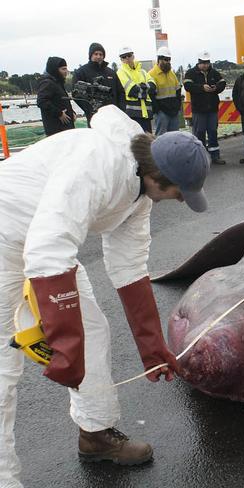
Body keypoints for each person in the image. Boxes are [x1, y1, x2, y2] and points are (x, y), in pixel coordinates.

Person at [0, 105, 211, 488]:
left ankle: (95, 434)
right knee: (3, 368)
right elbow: (49, 249)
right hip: (6, 237)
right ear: (159, 176)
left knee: (93, 332)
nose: (182, 200)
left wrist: (152, 347)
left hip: (43, 242)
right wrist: (64, 344)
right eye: (181, 192)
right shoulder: (97, 164)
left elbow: (129, 267)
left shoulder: (142, 191)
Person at [183, 51, 226, 164]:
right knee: (199, 133)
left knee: (213, 132)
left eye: (207, 62)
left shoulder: (214, 72)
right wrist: (202, 88)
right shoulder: (191, 73)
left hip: (212, 109)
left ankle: (215, 156)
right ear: (198, 62)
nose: (206, 65)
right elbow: (188, 86)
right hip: (199, 110)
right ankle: (200, 158)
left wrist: (215, 88)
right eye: (203, 63)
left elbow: (222, 83)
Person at [73, 42, 126, 124]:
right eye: (95, 54)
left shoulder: (111, 72)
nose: (98, 56)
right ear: (91, 55)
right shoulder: (81, 72)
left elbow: (121, 92)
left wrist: (121, 110)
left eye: (101, 54)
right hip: (94, 117)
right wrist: (89, 109)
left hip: (113, 115)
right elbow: (76, 94)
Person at [117, 46, 157, 133]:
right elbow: (132, 90)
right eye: (124, 56)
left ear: (133, 56)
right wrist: (145, 88)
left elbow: (153, 86)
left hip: (146, 113)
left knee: (148, 141)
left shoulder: (142, 71)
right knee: (137, 142)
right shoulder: (120, 72)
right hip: (132, 115)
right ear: (121, 59)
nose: (127, 58)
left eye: (128, 55)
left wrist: (141, 88)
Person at [36, 57, 75, 136]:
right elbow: (41, 101)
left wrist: (72, 112)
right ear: (55, 70)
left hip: (65, 128)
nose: (66, 72)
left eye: (66, 69)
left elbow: (61, 101)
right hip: (56, 130)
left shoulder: (58, 82)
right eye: (63, 69)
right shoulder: (47, 83)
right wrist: (59, 113)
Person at [148, 46, 182, 136]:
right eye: (165, 59)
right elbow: (150, 95)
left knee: (175, 136)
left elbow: (178, 91)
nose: (168, 62)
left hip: (173, 111)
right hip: (161, 112)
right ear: (159, 59)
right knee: (161, 137)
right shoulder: (151, 74)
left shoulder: (172, 74)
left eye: (169, 59)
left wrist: (178, 106)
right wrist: (157, 110)